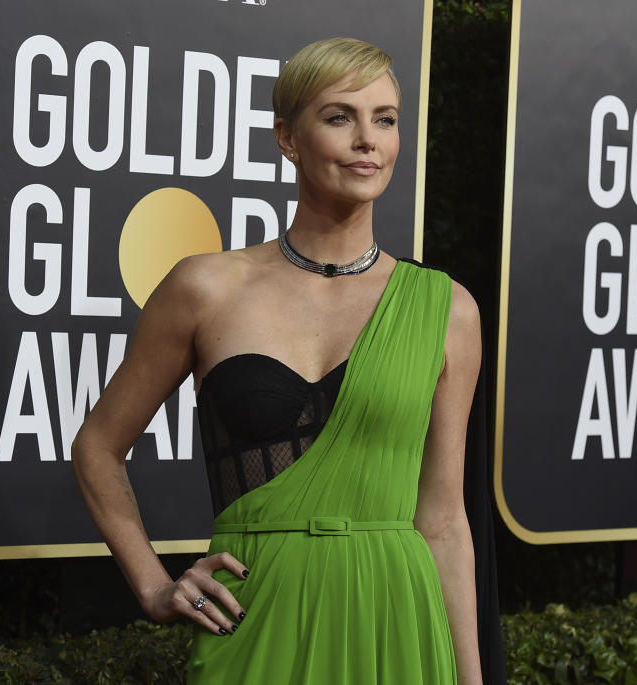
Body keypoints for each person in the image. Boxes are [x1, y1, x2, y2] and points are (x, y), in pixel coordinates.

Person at [72, 37, 484, 684]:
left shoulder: (446, 309)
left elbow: (442, 519)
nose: (367, 140)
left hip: (397, 619)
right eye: (339, 116)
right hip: (254, 611)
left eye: (385, 118)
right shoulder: (205, 287)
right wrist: (154, 588)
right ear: (289, 138)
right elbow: (97, 446)